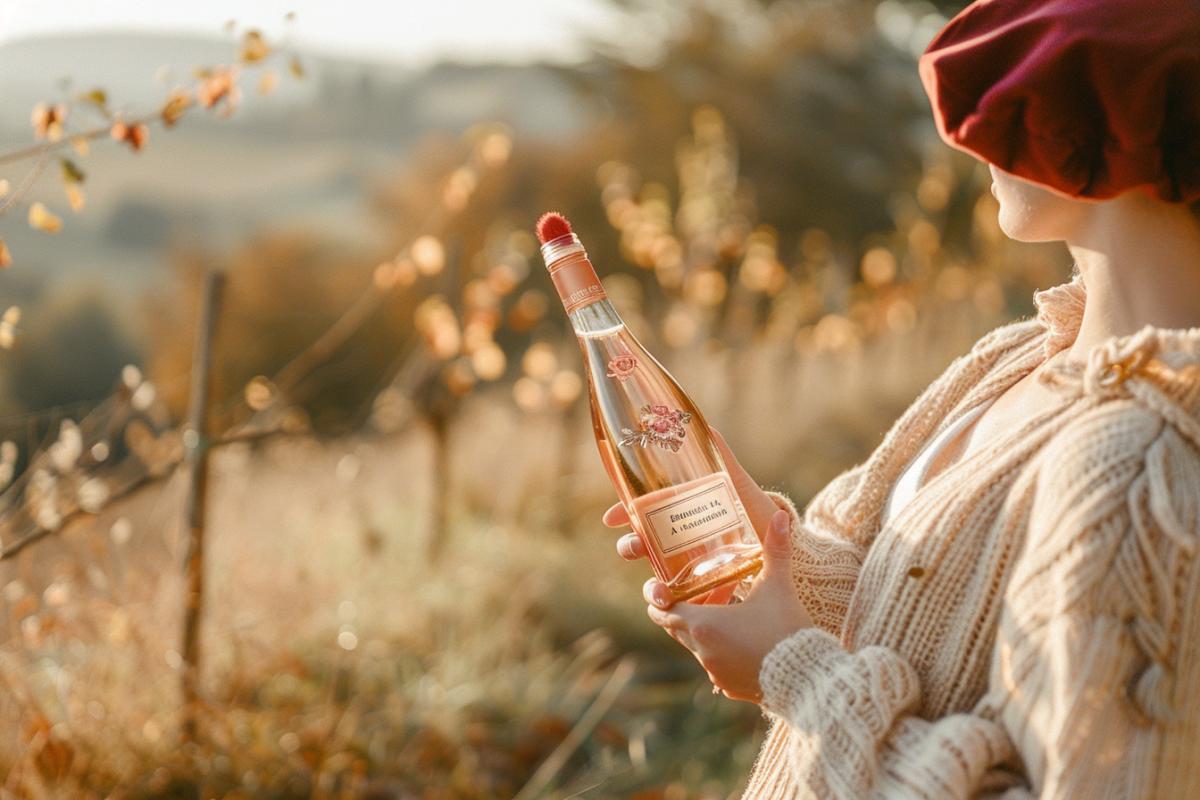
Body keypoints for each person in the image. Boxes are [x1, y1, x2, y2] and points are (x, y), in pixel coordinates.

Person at [602, 0, 1200, 796]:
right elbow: (921, 619)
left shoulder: (1151, 462)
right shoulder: (1025, 355)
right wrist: (765, 545)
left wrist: (799, 677)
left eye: (1019, 108)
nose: (979, 140)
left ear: (1111, 128)